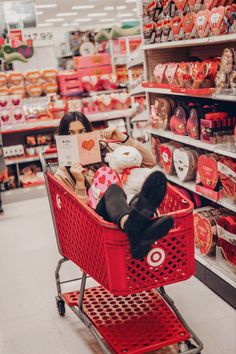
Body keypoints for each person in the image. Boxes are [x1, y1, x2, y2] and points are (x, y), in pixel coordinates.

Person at [55, 112, 173, 259]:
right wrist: (79, 183)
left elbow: (150, 161)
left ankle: (135, 234)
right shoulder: (63, 174)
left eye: (82, 132)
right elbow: (76, 216)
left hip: (125, 209)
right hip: (98, 225)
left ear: (89, 133)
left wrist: (123, 138)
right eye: (70, 134)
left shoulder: (105, 149)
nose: (77, 138)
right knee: (113, 189)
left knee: (137, 197)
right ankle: (133, 226)